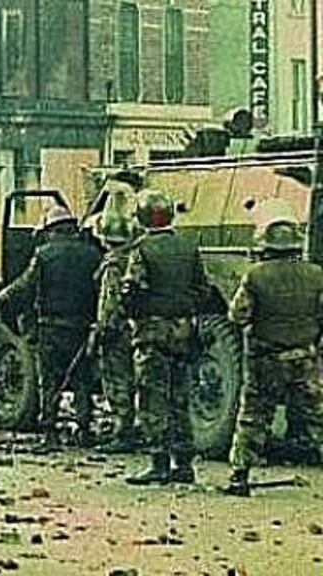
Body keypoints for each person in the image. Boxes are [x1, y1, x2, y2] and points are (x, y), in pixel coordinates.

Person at [221, 218, 323, 496]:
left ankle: (239, 477)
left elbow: (237, 315)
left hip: (266, 360)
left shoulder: (255, 275)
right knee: (318, 416)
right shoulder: (317, 274)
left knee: (253, 417)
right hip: (306, 359)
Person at [122, 189, 215, 485]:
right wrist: (185, 308)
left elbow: (131, 290)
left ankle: (159, 462)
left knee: (152, 399)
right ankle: (185, 464)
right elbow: (204, 289)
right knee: (180, 398)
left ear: (142, 217)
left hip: (152, 331)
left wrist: (138, 313)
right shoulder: (189, 247)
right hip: (184, 330)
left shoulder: (142, 249)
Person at [0, 205, 101, 451]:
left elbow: (25, 285)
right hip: (84, 329)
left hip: (52, 328)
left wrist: (4, 296)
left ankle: (50, 434)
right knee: (81, 380)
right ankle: (84, 430)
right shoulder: (92, 254)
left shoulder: (43, 255)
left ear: (50, 229)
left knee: (50, 380)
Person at [93, 202, 140, 454]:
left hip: (116, 331)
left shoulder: (113, 265)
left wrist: (102, 329)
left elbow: (110, 301)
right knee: (133, 379)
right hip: (133, 329)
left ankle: (124, 432)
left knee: (117, 380)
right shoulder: (134, 259)